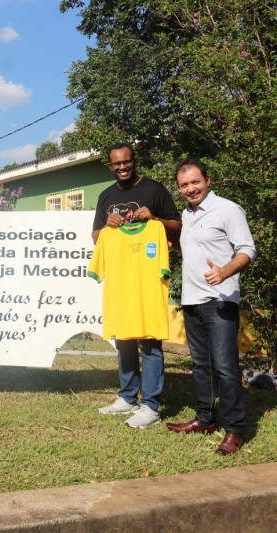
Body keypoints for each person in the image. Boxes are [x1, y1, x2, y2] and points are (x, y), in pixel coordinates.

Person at [166, 158, 256, 456]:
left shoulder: (228, 210)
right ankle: (205, 418)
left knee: (225, 368)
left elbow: (247, 249)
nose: (191, 189)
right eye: (184, 185)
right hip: (192, 299)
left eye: (195, 182)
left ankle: (234, 429)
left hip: (219, 299)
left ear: (208, 180)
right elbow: (195, 245)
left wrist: (225, 271)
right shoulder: (187, 214)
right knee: (201, 365)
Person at [92, 143, 181, 428]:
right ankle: (127, 397)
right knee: (125, 343)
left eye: (126, 162)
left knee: (151, 344)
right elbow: (96, 237)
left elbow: (178, 226)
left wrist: (155, 219)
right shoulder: (106, 196)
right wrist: (107, 225)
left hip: (145, 287)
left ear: (134, 161)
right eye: (116, 164)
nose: (122, 167)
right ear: (110, 166)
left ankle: (151, 405)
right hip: (121, 287)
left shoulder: (154, 189)